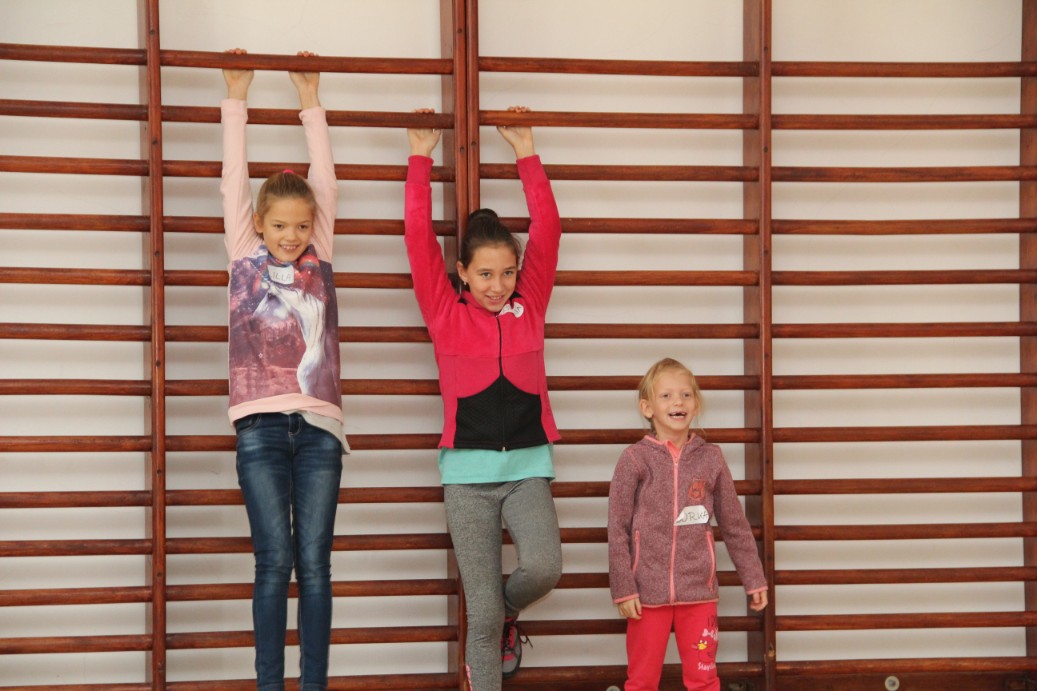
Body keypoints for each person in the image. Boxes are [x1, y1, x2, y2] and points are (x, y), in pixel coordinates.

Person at [404, 106, 563, 690]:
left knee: (544, 567)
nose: (498, 286)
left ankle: (506, 613)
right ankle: (494, 625)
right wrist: (420, 157)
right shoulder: (445, 313)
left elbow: (549, 229)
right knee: (482, 613)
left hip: (527, 469)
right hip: (466, 478)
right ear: (463, 273)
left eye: (507, 273)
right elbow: (417, 239)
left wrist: (526, 150)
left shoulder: (530, 305)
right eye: (486, 275)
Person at [222, 48, 347, 691]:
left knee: (315, 567)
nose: (292, 236)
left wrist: (310, 98)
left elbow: (325, 184)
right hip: (260, 430)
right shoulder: (244, 254)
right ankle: (269, 685)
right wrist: (235, 97)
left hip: (320, 430)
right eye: (280, 226)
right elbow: (233, 182)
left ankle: (313, 685)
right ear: (259, 225)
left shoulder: (319, 256)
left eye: (301, 226)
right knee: (273, 564)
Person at [608, 358, 768, 691]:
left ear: (696, 404)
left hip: (699, 592)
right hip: (646, 595)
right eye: (666, 396)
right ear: (647, 408)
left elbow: (735, 525)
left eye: (685, 394)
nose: (677, 402)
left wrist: (754, 578)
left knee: (704, 679)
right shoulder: (634, 459)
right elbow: (617, 529)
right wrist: (623, 587)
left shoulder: (712, 459)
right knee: (641, 681)